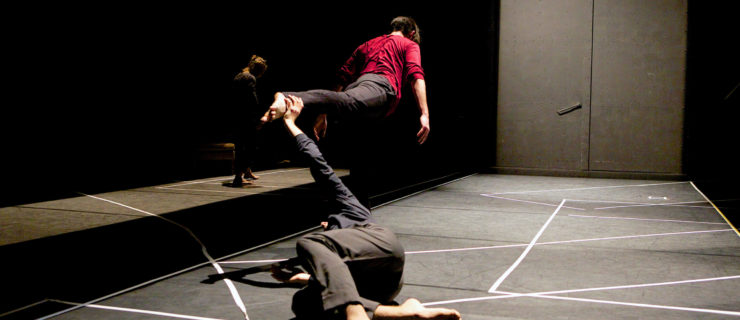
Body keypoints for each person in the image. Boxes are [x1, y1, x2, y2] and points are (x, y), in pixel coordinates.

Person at [271, 95, 460, 320]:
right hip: (383, 285)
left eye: (327, 220)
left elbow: (317, 164)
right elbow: (342, 276)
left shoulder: (350, 207)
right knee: (304, 302)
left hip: (383, 245)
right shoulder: (337, 242)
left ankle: (356, 313)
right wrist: (302, 278)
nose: (324, 223)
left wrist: (291, 123)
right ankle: (401, 312)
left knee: (309, 242)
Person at [260, 16, 430, 145]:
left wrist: (324, 113)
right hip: (380, 86)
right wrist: (424, 114)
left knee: (353, 118)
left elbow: (342, 77)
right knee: (348, 102)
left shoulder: (367, 44)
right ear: (411, 33)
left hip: (360, 86)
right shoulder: (409, 44)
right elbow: (416, 76)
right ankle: (287, 97)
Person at [231, 55, 267, 187]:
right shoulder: (250, 78)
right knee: (247, 147)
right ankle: (238, 177)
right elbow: (252, 100)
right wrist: (258, 119)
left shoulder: (240, 75)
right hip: (246, 118)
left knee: (241, 145)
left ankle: (247, 171)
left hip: (237, 117)